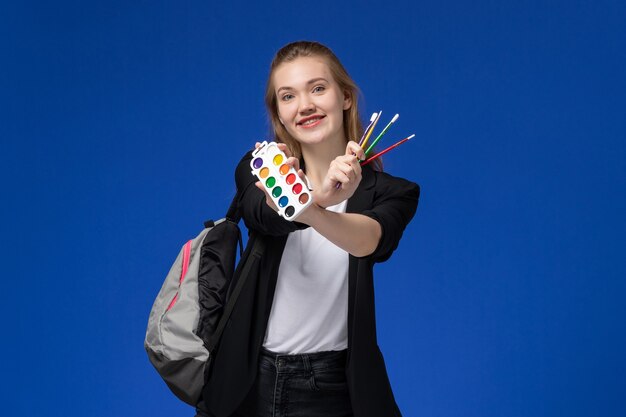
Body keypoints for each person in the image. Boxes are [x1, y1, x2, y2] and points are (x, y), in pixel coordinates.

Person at [196, 41, 420, 417]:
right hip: (248, 378)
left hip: (333, 386)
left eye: (318, 88)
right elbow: (264, 215)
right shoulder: (260, 166)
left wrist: (317, 208)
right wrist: (318, 196)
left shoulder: (394, 193)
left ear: (345, 97)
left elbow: (368, 241)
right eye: (288, 96)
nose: (305, 106)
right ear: (279, 114)